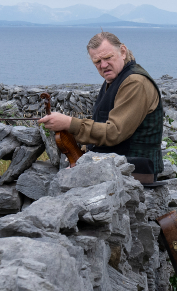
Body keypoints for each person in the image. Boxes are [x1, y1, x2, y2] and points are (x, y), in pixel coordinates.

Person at [39, 31, 165, 180]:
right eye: (97, 62)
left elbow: (114, 132)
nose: (103, 65)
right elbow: (102, 125)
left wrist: (69, 123)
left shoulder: (135, 82)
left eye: (108, 58)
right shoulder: (114, 79)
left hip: (136, 173)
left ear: (123, 51)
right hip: (118, 169)